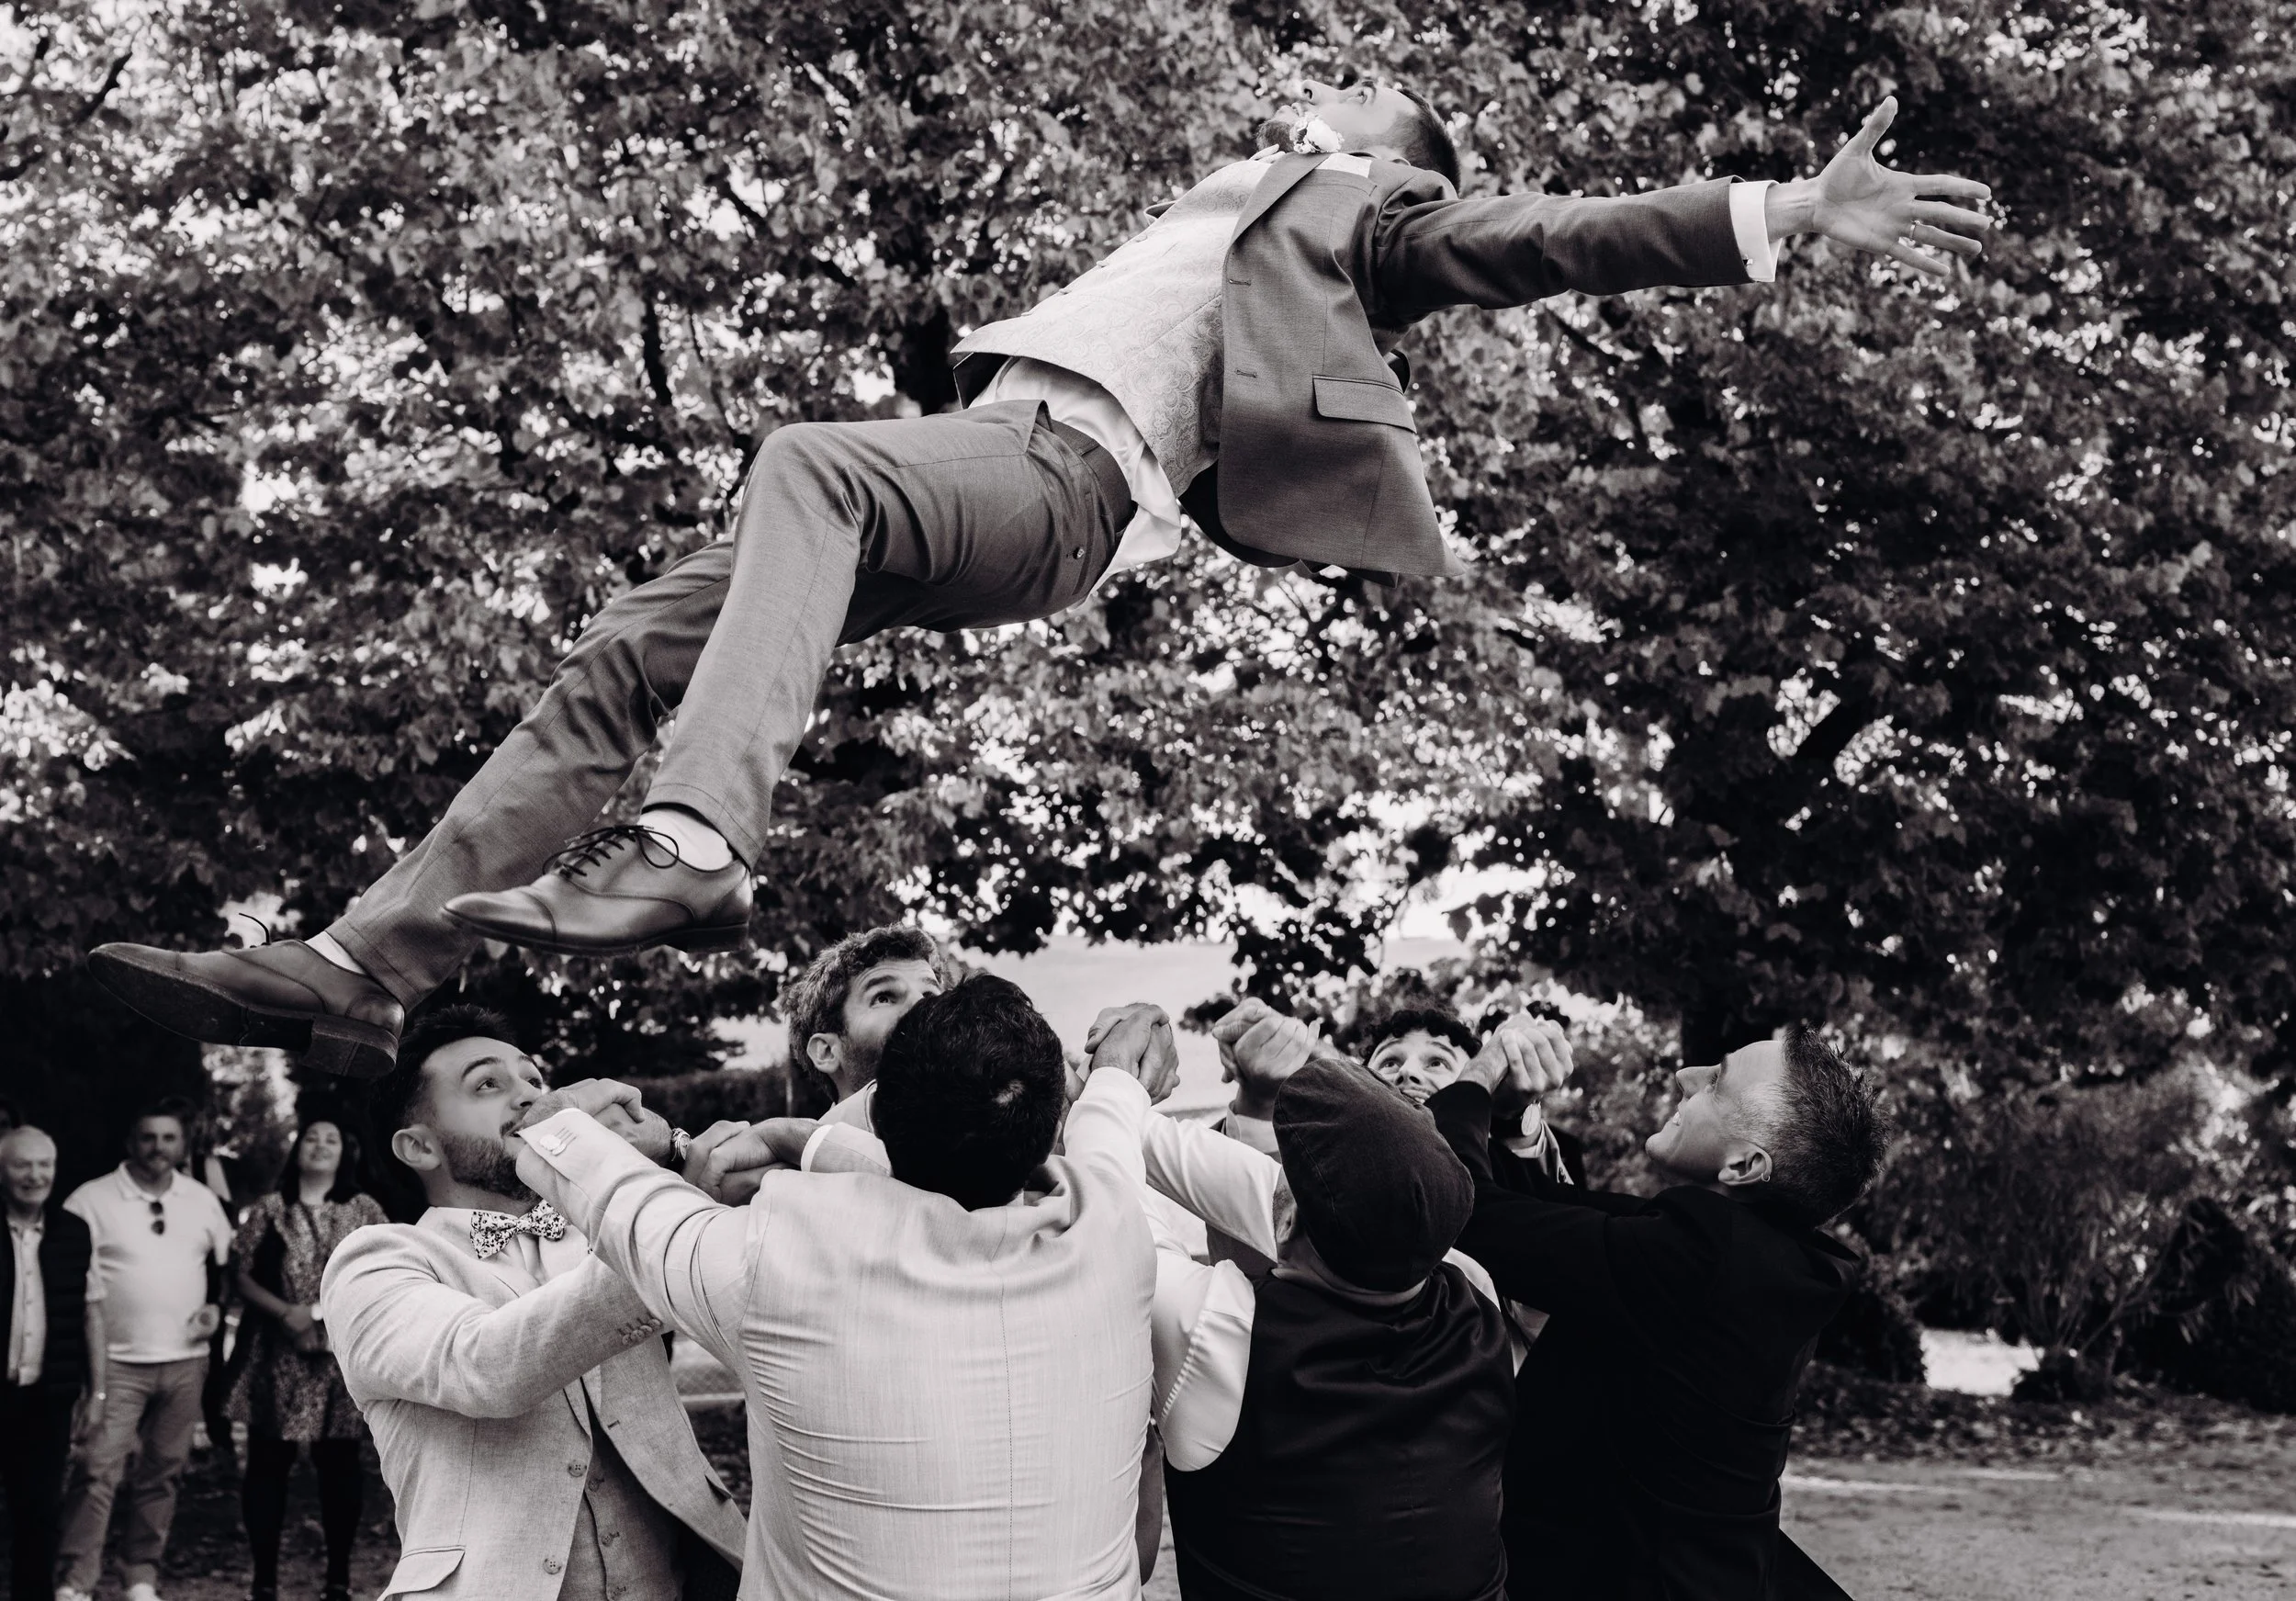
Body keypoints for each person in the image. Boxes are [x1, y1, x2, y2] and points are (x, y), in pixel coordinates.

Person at [88, 91, 1993, 1078]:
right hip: (989, 454)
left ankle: (697, 829)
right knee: (623, 645)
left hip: (1055, 491)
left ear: (1370, 150)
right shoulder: (1212, 218)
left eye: (1337, 89)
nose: (1299, 88)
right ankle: (355, 962)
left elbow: (1526, 237)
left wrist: (1769, 217)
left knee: (804, 466)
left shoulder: (1358, 211)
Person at [507, 974, 1157, 1599]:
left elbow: (627, 1200)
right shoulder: (1118, 1229)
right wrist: (808, 1142)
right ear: (1048, 1130)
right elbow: (1108, 1119)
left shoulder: (778, 1255)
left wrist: (551, 1122)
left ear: (881, 1112)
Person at [1067, 1004, 1520, 1601]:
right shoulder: (1470, 1288)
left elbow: (1109, 1203)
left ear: (1285, 1214)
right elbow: (1269, 1195)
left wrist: (1114, 1079)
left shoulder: (1221, 1332)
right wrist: (1106, 1093)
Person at [1429, 1017, 1882, 1601]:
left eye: (1717, 1081)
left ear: (1744, 1166)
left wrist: (1480, 1077)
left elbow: (1466, 1208)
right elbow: (1550, 1219)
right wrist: (1512, 1116)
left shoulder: (1704, 1261)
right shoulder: (1758, 1253)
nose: (1684, 1074)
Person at [318, 1006, 744, 1601]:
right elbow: (487, 1364)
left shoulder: (609, 1223)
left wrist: (691, 1167)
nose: (530, 1099)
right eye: (488, 1084)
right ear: (418, 1146)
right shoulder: (372, 1262)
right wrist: (664, 1218)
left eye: (535, 1080)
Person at [56, 1100, 233, 1601]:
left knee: (163, 1472)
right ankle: (75, 1582)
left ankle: (140, 1576)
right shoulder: (90, 1200)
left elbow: (223, 1272)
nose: (159, 1148)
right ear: (130, 1144)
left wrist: (216, 1309)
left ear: (183, 1145)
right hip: (113, 1363)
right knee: (95, 1471)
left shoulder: (201, 1200)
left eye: (168, 1138)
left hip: (184, 1362)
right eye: (148, 1138)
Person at [228, 1116, 388, 1601]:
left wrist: (318, 1314)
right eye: (312, 1137)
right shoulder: (269, 1210)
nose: (320, 1145)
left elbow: (383, 1270)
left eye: (332, 1139)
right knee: (267, 1467)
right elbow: (240, 1274)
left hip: (340, 1360)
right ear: (297, 1149)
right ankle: (265, 1581)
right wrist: (286, 1314)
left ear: (346, 1152)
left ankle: (338, 1579)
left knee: (339, 1468)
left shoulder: (364, 1210)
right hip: (276, 1358)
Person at [3, 1125, 107, 1601]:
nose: (35, 1175)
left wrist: (98, 1392)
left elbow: (92, 1314)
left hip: (48, 1397)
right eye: (22, 1164)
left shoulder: (74, 1231)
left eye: (44, 1164)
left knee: (40, 1513)